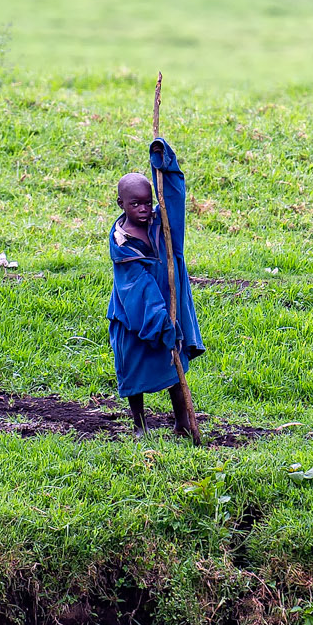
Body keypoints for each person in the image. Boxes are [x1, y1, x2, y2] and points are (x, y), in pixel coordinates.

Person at [108, 136, 205, 445]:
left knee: (172, 365)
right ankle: (139, 425)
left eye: (147, 202)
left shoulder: (161, 225)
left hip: (169, 307)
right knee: (133, 370)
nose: (142, 208)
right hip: (135, 317)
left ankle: (183, 423)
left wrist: (163, 162)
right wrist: (161, 321)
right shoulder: (122, 242)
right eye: (134, 203)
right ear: (121, 203)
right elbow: (138, 288)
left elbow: (174, 196)